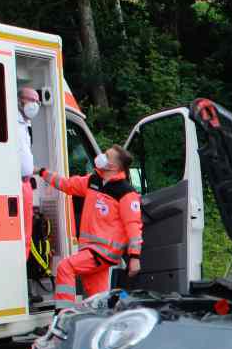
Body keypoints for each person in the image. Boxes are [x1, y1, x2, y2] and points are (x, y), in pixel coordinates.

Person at [38, 144, 142, 307]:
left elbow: (133, 226)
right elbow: (67, 184)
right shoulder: (93, 181)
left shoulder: (126, 192)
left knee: (66, 267)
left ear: (113, 166)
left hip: (104, 251)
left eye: (107, 156)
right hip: (92, 250)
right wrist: (43, 173)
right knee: (98, 300)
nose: (102, 156)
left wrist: (135, 257)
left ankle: (64, 314)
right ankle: (104, 324)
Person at [17, 87, 40, 258]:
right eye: (31, 100)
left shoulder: (25, 124)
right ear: (20, 100)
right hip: (17, 183)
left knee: (27, 234)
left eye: (37, 102)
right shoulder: (14, 121)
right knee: (22, 234)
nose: (34, 105)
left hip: (26, 183)